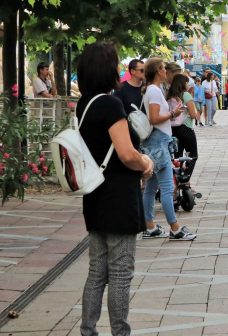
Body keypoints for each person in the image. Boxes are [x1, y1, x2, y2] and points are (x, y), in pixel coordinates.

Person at [76, 42, 154, 336]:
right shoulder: (110, 104)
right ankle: (120, 332)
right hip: (118, 196)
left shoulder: (86, 103)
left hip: (94, 193)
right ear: (108, 68)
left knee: (97, 271)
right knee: (121, 273)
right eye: (117, 63)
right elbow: (126, 153)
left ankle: (88, 332)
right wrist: (145, 164)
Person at [141, 57, 196, 241]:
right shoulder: (155, 91)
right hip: (158, 142)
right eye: (164, 68)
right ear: (158, 71)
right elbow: (154, 119)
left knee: (151, 187)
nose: (166, 70)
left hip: (154, 141)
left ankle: (149, 226)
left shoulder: (151, 90)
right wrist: (174, 113)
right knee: (166, 187)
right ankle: (175, 228)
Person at [167, 74, 198, 182]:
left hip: (173, 129)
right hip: (186, 128)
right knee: (192, 155)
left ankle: (176, 180)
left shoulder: (169, 95)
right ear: (182, 83)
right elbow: (194, 115)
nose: (188, 84)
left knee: (177, 156)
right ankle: (185, 179)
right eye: (187, 82)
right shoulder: (186, 95)